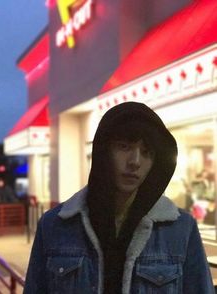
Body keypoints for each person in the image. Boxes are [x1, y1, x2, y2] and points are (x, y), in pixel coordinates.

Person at [24, 102, 214, 293]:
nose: (135, 162)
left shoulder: (180, 229)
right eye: (124, 147)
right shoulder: (54, 226)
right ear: (103, 151)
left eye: (146, 152)